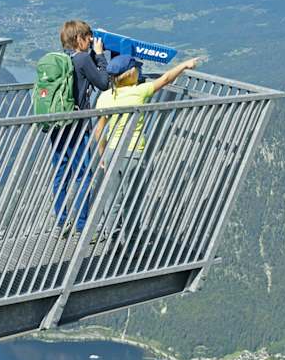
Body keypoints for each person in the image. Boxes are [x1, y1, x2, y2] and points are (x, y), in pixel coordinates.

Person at [94, 55, 199, 241]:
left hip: (111, 152)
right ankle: (130, 241)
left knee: (113, 198)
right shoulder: (139, 92)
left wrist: (103, 154)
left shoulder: (105, 97)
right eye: (136, 69)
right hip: (134, 154)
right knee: (133, 200)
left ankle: (111, 238)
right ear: (131, 74)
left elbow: (99, 130)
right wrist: (184, 65)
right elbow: (166, 79)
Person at [51, 20, 109, 234]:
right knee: (83, 175)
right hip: (78, 126)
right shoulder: (84, 58)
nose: (90, 41)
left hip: (58, 125)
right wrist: (100, 55)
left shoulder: (63, 58)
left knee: (61, 174)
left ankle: (60, 222)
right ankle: (82, 225)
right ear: (78, 38)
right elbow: (103, 83)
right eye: (87, 38)